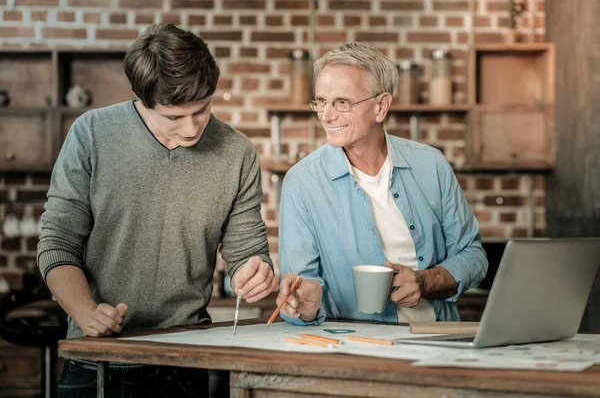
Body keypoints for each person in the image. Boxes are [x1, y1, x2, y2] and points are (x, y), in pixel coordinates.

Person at [37, 23, 277, 397]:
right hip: (97, 362)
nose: (192, 128)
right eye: (173, 117)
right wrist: (87, 313)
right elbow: (57, 244)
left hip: (186, 365)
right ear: (140, 96)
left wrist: (256, 272)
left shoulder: (238, 152)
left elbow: (248, 252)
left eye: (202, 109)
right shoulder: (92, 134)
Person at [276, 43, 488, 326]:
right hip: (353, 350)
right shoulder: (301, 183)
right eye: (320, 101)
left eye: (342, 102)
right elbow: (300, 290)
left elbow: (474, 257)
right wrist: (304, 305)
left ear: (381, 106)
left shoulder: (431, 165)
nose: (326, 115)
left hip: (437, 341)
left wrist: (424, 281)